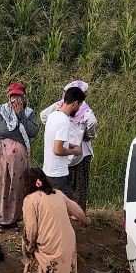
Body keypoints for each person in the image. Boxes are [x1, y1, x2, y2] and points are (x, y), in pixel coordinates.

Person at [21, 166, 90, 273]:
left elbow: (31, 230)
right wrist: (86, 221)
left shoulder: (30, 200)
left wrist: (29, 247)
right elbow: (77, 210)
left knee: (38, 268)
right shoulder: (58, 193)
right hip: (68, 243)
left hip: (49, 245)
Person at [0, 82, 40, 231]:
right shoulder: (1, 111)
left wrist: (20, 116)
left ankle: (13, 219)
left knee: (18, 185)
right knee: (1, 183)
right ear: (8, 96)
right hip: (2, 156)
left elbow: (33, 132)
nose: (15, 99)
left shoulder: (28, 113)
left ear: (23, 97)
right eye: (13, 96)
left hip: (20, 158)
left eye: (18, 96)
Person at [40, 80, 97, 209]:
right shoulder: (69, 118)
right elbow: (58, 150)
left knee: (58, 197)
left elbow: (44, 118)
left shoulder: (54, 113)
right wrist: (78, 146)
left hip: (49, 169)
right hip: (61, 167)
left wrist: (68, 144)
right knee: (73, 193)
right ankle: (79, 218)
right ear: (76, 103)